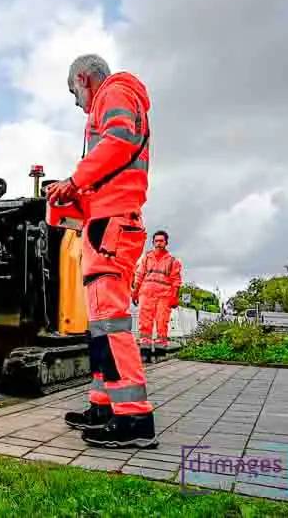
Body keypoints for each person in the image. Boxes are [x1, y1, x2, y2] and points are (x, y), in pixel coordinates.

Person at [46, 54, 157, 449]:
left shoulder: (115, 91)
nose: (76, 102)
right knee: (99, 326)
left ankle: (134, 420)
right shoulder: (117, 95)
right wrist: (77, 195)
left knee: (110, 322)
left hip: (111, 225)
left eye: (73, 92)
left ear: (83, 78)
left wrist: (73, 180)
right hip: (104, 223)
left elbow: (119, 140)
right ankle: (103, 405)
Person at [132, 230, 182, 349]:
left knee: (162, 320)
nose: (158, 243)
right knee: (144, 320)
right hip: (146, 293)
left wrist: (174, 298)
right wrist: (134, 293)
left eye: (161, 241)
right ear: (153, 242)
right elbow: (139, 276)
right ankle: (145, 345)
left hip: (164, 296)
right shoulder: (146, 258)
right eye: (156, 241)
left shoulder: (173, 261)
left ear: (166, 243)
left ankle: (160, 345)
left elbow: (176, 281)